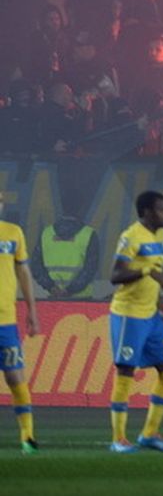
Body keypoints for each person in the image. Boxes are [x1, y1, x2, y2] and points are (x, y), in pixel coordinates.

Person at [108, 190, 163, 453]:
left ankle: (149, 433)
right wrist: (148, 270)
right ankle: (118, 439)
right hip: (128, 315)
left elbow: (155, 277)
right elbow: (115, 275)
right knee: (126, 372)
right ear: (147, 212)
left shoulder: (160, 235)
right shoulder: (130, 236)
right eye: (162, 209)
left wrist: (162, 309)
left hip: (151, 315)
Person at [0, 194, 38, 453]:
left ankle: (27, 436)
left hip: (5, 320)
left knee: (15, 377)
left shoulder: (13, 233)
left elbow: (23, 271)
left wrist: (32, 310)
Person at [30, 214, 99, 299]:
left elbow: (36, 266)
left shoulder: (46, 233)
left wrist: (51, 287)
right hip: (82, 298)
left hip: (53, 297)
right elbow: (90, 268)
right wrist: (70, 290)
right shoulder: (89, 234)